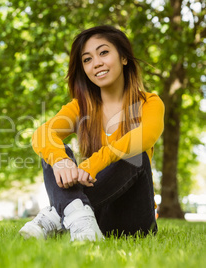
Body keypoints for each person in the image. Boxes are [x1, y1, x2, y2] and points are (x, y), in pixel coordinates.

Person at [19, 25, 164, 241]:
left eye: (104, 52)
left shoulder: (148, 102)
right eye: (87, 59)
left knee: (136, 155)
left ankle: (58, 214)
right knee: (54, 151)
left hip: (134, 219)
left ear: (124, 58)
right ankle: (77, 217)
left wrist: (92, 164)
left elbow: (146, 136)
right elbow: (42, 133)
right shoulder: (81, 107)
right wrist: (61, 160)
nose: (96, 63)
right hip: (93, 215)